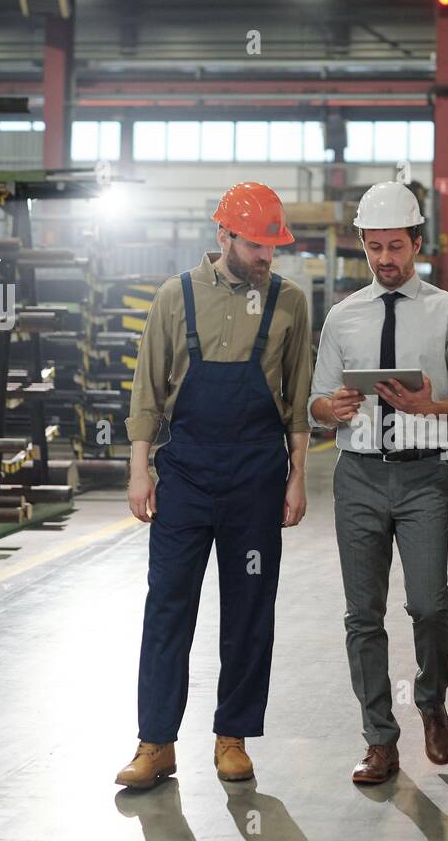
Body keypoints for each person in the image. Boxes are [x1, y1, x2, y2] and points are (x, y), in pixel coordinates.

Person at [116, 182, 313, 790]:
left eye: (273, 246)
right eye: (256, 244)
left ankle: (233, 737)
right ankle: (156, 743)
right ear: (223, 236)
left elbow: (297, 400)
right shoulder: (175, 297)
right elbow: (148, 390)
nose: (266, 257)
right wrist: (139, 468)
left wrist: (297, 477)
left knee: (249, 610)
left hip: (256, 476)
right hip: (186, 473)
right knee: (168, 606)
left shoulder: (290, 302)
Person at [309, 180, 448, 785]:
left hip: (422, 478)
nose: (386, 259)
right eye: (374, 247)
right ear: (362, 244)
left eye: (396, 246)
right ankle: (379, 740)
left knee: (430, 604)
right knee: (363, 614)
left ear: (417, 244)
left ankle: (432, 701)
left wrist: (431, 405)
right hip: (357, 476)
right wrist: (327, 410)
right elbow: (314, 398)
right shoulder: (342, 317)